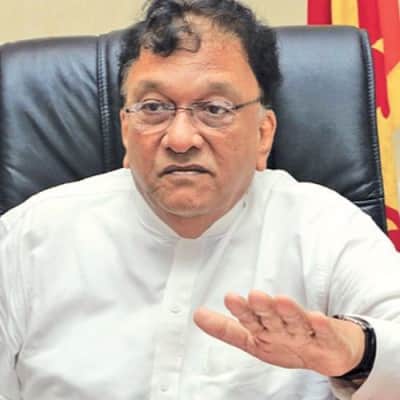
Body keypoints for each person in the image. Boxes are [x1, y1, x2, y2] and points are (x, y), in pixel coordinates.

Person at [1, 0, 399, 399]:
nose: (180, 139)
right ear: (125, 129)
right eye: (153, 107)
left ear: (263, 134)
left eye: (214, 109)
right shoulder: (31, 237)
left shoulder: (326, 229)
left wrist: (357, 353)